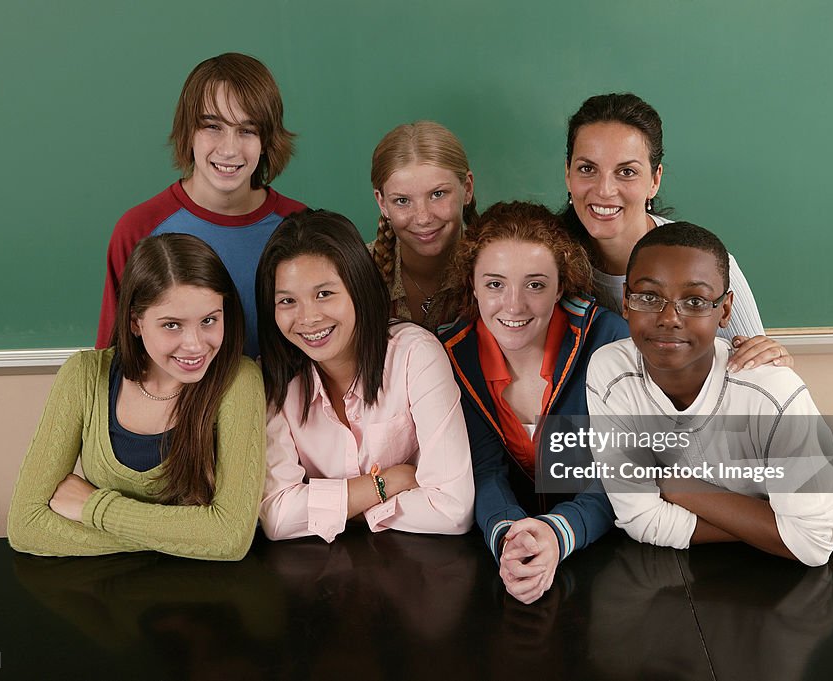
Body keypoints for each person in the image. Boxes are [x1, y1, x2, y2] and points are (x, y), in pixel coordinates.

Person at [585, 222, 833, 566]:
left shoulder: (771, 394)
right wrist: (775, 525)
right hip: (689, 570)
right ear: (626, 301)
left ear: (724, 311)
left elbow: (814, 545)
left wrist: (674, 486)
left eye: (695, 301)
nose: (669, 318)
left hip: (785, 581)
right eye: (649, 297)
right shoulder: (610, 372)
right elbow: (639, 519)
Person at [8, 233, 266, 560]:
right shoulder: (84, 375)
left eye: (209, 320)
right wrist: (191, 537)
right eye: (172, 325)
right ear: (135, 323)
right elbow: (26, 525)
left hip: (208, 595)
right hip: (107, 595)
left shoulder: (238, 380)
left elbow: (230, 537)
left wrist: (94, 507)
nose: (196, 344)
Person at [437, 201, 629, 604]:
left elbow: (621, 470)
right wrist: (510, 535)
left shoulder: (608, 341)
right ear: (472, 284)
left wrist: (559, 533)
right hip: (509, 548)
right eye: (494, 284)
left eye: (535, 285)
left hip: (608, 551)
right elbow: (485, 470)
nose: (513, 305)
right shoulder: (454, 356)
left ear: (561, 286)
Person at [256, 209, 474, 542]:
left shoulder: (415, 355)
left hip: (419, 570)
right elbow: (278, 516)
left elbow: (453, 510)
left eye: (324, 294)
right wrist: (385, 484)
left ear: (358, 287)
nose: (308, 318)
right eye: (287, 301)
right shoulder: (272, 379)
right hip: (319, 578)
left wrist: (331, 510)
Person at [96, 52, 306, 358]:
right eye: (213, 127)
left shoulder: (301, 228)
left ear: (266, 141)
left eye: (247, 131)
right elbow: (116, 361)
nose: (230, 149)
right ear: (189, 132)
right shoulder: (138, 229)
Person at [562, 93, 787, 372]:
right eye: (587, 168)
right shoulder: (546, 261)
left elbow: (758, 368)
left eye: (627, 172)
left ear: (654, 180)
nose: (604, 189)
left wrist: (769, 357)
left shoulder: (703, 262)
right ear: (568, 175)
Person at [369, 121, 477, 325]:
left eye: (438, 194)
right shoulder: (355, 273)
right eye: (402, 200)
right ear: (382, 202)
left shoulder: (500, 272)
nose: (423, 218)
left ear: (468, 189)